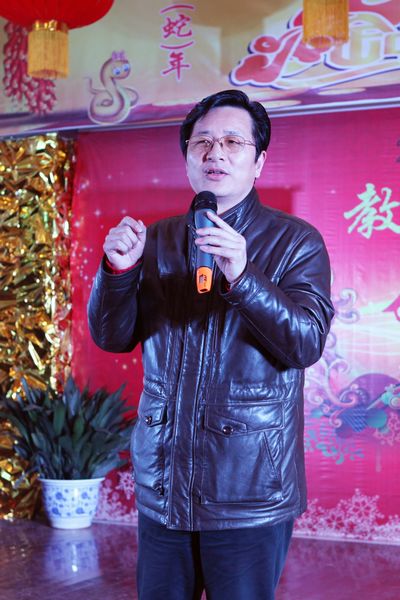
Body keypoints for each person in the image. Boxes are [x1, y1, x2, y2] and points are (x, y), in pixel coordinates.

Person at [87, 89, 334, 600]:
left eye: (232, 142)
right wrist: (118, 272)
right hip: (165, 483)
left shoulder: (296, 242)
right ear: (187, 159)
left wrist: (244, 277)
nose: (214, 153)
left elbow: (306, 343)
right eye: (201, 142)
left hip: (249, 489)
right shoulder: (156, 240)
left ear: (258, 162)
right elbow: (112, 337)